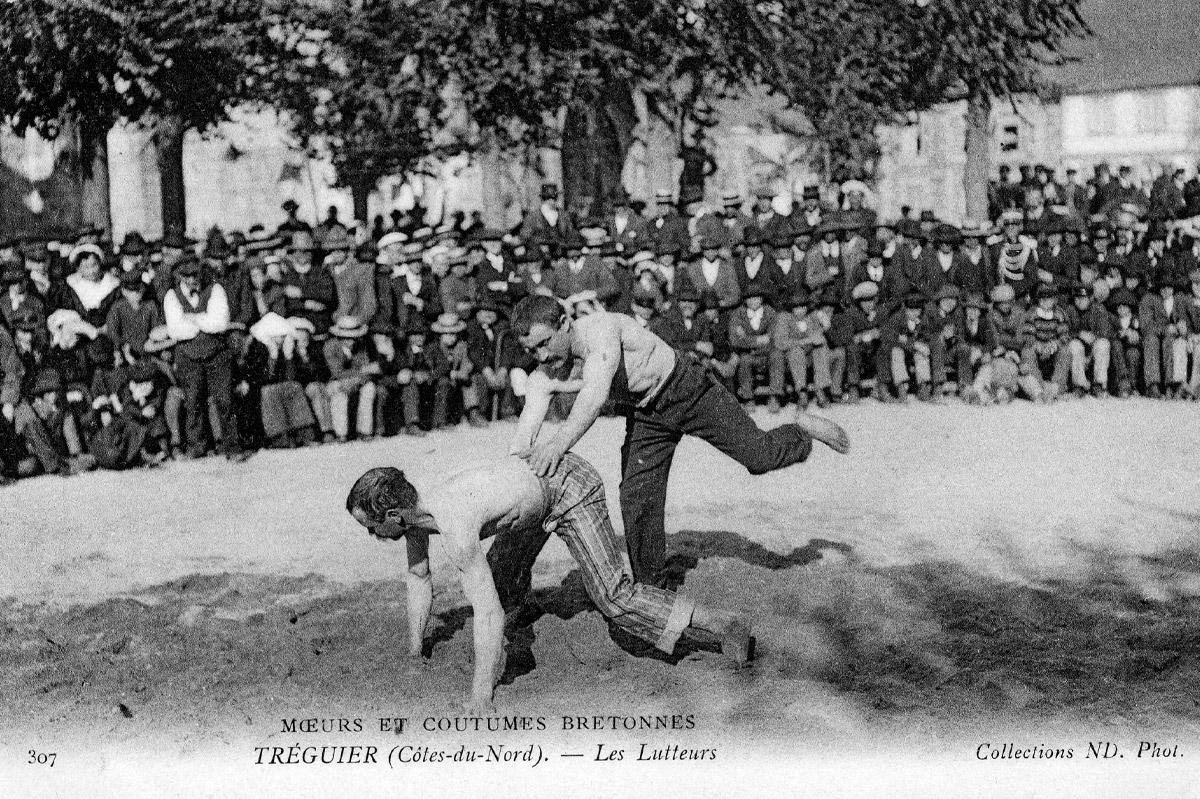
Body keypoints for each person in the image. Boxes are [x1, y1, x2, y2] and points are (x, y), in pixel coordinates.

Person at [345, 447, 754, 713]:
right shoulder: (416, 514)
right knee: (502, 588)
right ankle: (526, 612)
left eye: (371, 527)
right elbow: (418, 577)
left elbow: (485, 614)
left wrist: (480, 695)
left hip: (567, 485)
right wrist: (415, 650)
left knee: (613, 597)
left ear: (394, 517)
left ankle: (722, 624)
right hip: (526, 503)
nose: (371, 536)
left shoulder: (454, 523)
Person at [507, 294, 849, 588]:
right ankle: (652, 587)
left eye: (543, 343)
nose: (540, 355)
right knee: (637, 496)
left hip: (688, 389)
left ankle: (801, 433)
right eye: (531, 350)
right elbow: (532, 411)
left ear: (565, 324)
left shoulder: (600, 329)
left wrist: (556, 444)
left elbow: (594, 396)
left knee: (759, 457)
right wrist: (516, 460)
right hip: (646, 414)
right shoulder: (549, 366)